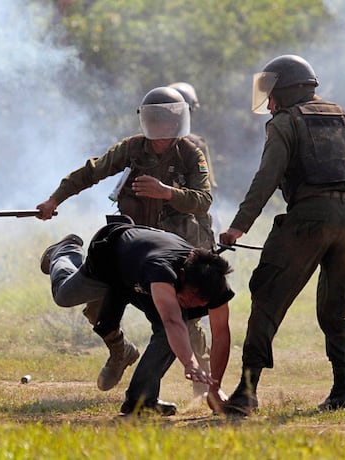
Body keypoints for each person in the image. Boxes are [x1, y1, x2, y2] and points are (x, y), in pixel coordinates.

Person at [220, 54, 345, 415]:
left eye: (272, 95)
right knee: (335, 309)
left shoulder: (285, 122)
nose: (270, 103)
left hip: (308, 219)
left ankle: (246, 393)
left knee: (267, 298)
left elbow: (266, 179)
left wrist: (237, 227)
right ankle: (343, 390)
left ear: (287, 91)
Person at [36, 86, 216, 395]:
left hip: (174, 250)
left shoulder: (190, 154)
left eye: (167, 121)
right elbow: (93, 171)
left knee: (184, 319)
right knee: (95, 309)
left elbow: (203, 199)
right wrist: (55, 199)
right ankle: (120, 352)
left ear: (179, 122)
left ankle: (205, 382)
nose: (161, 128)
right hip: (132, 250)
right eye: (154, 121)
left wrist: (167, 192)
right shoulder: (132, 149)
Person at [40, 220, 233, 415]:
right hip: (112, 256)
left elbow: (221, 336)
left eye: (201, 302)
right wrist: (190, 363)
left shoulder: (217, 288)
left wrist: (215, 389)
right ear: (181, 276)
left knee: (168, 335)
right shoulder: (162, 270)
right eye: (190, 297)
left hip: (140, 272)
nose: (194, 305)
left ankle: (141, 401)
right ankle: (66, 251)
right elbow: (172, 322)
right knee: (64, 296)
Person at [168, 81, 220, 396]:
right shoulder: (154, 145)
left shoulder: (194, 146)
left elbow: (205, 194)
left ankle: (202, 373)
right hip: (171, 233)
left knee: (189, 309)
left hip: (191, 234)